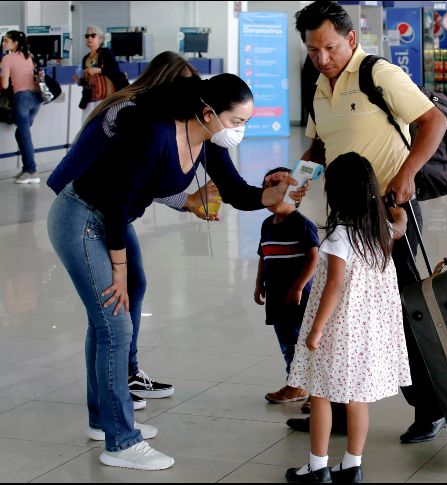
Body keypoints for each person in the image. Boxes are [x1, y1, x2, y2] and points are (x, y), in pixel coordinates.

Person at [47, 73, 304, 470]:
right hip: (82, 218)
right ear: (207, 112)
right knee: (114, 324)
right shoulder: (157, 134)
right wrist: (118, 268)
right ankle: (121, 442)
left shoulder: (206, 140)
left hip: (111, 220)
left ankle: (104, 419)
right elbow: (117, 203)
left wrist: (274, 194)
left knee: (113, 317)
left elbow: (235, 192)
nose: (240, 131)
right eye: (237, 121)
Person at [286, 0, 447, 444]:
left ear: (351, 39)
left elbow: (432, 122)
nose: (323, 58)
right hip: (344, 215)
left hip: (391, 212)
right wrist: (297, 181)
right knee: (337, 312)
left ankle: (432, 408)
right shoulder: (319, 85)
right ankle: (334, 409)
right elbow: (319, 147)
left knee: (406, 309)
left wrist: (407, 173)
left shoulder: (379, 74)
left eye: (331, 48)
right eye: (314, 50)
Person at [48, 51, 213, 411]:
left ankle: (125, 376)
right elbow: (128, 182)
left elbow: (144, 180)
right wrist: (116, 265)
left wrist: (188, 201)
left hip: (110, 209)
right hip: (87, 207)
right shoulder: (131, 112)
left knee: (132, 288)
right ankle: (116, 395)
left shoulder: (155, 116)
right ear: (165, 82)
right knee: (112, 315)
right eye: (185, 84)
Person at [285, 152, 411, 484]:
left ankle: (317, 467)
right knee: (358, 398)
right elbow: (400, 227)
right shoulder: (379, 229)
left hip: (339, 328)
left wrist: (315, 331)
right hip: (369, 329)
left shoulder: (340, 235)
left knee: (320, 394)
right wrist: (398, 212)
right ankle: (353, 466)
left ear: (337, 193)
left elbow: (335, 286)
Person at [255, 167, 320, 405]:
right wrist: (258, 285)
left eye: (277, 188)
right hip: (276, 295)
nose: (270, 194)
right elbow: (264, 255)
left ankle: (316, 392)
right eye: (266, 188)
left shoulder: (302, 223)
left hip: (299, 297)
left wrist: (299, 287)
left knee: (305, 342)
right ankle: (296, 385)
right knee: (287, 342)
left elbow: (314, 258)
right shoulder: (266, 225)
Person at [0, 31, 42, 184]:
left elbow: (4, 85)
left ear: (15, 43)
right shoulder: (29, 56)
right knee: (21, 133)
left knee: (24, 135)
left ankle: (32, 171)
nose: (4, 43)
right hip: (36, 100)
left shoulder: (7, 58)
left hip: (22, 99)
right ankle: (26, 169)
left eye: (7, 40)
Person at [74, 25, 127, 122]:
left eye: (93, 35)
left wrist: (99, 70)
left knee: (103, 126)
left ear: (100, 38)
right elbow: (88, 82)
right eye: (87, 36)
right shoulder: (85, 58)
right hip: (90, 98)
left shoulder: (106, 53)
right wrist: (81, 81)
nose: (89, 38)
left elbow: (116, 72)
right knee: (87, 126)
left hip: (105, 97)